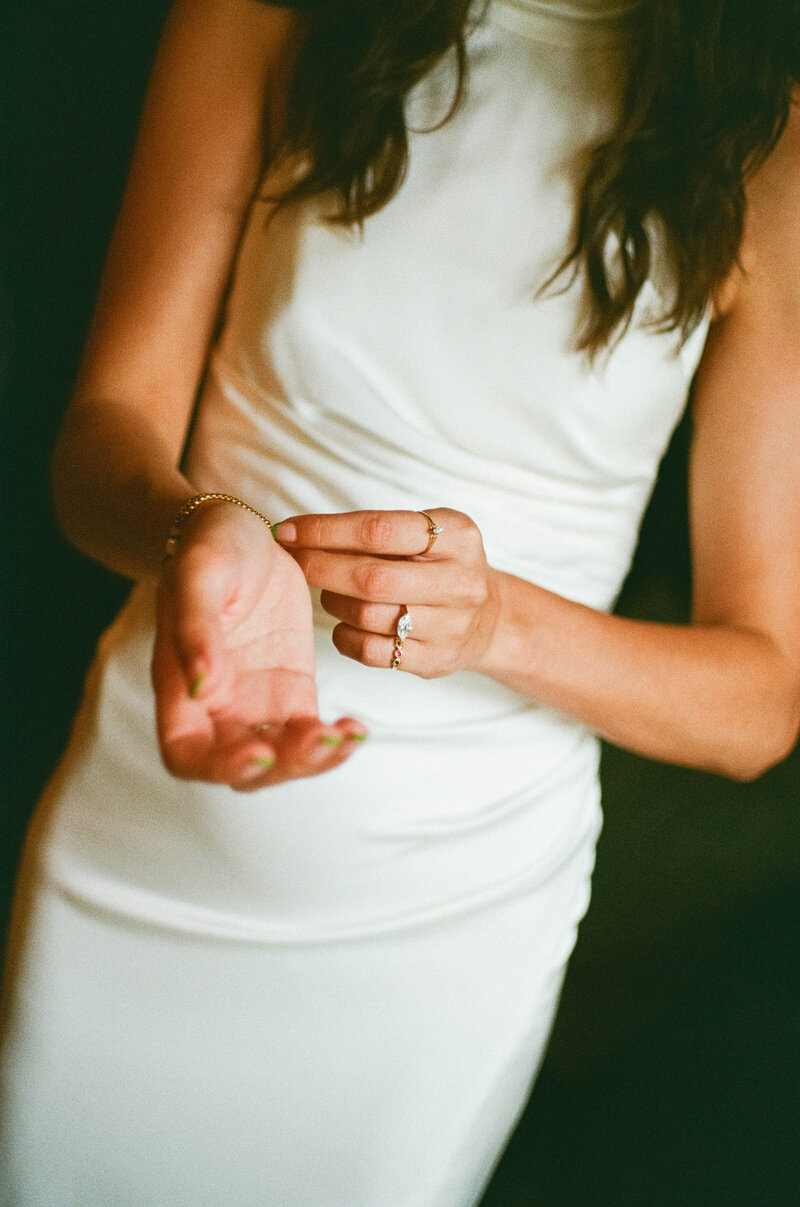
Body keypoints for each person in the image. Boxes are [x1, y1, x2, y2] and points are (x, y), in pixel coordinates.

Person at [2, 0, 800, 1203]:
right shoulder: (264, 16)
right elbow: (98, 438)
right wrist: (197, 533)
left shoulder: (769, 146)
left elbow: (758, 701)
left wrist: (493, 623)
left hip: (449, 924)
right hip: (148, 836)